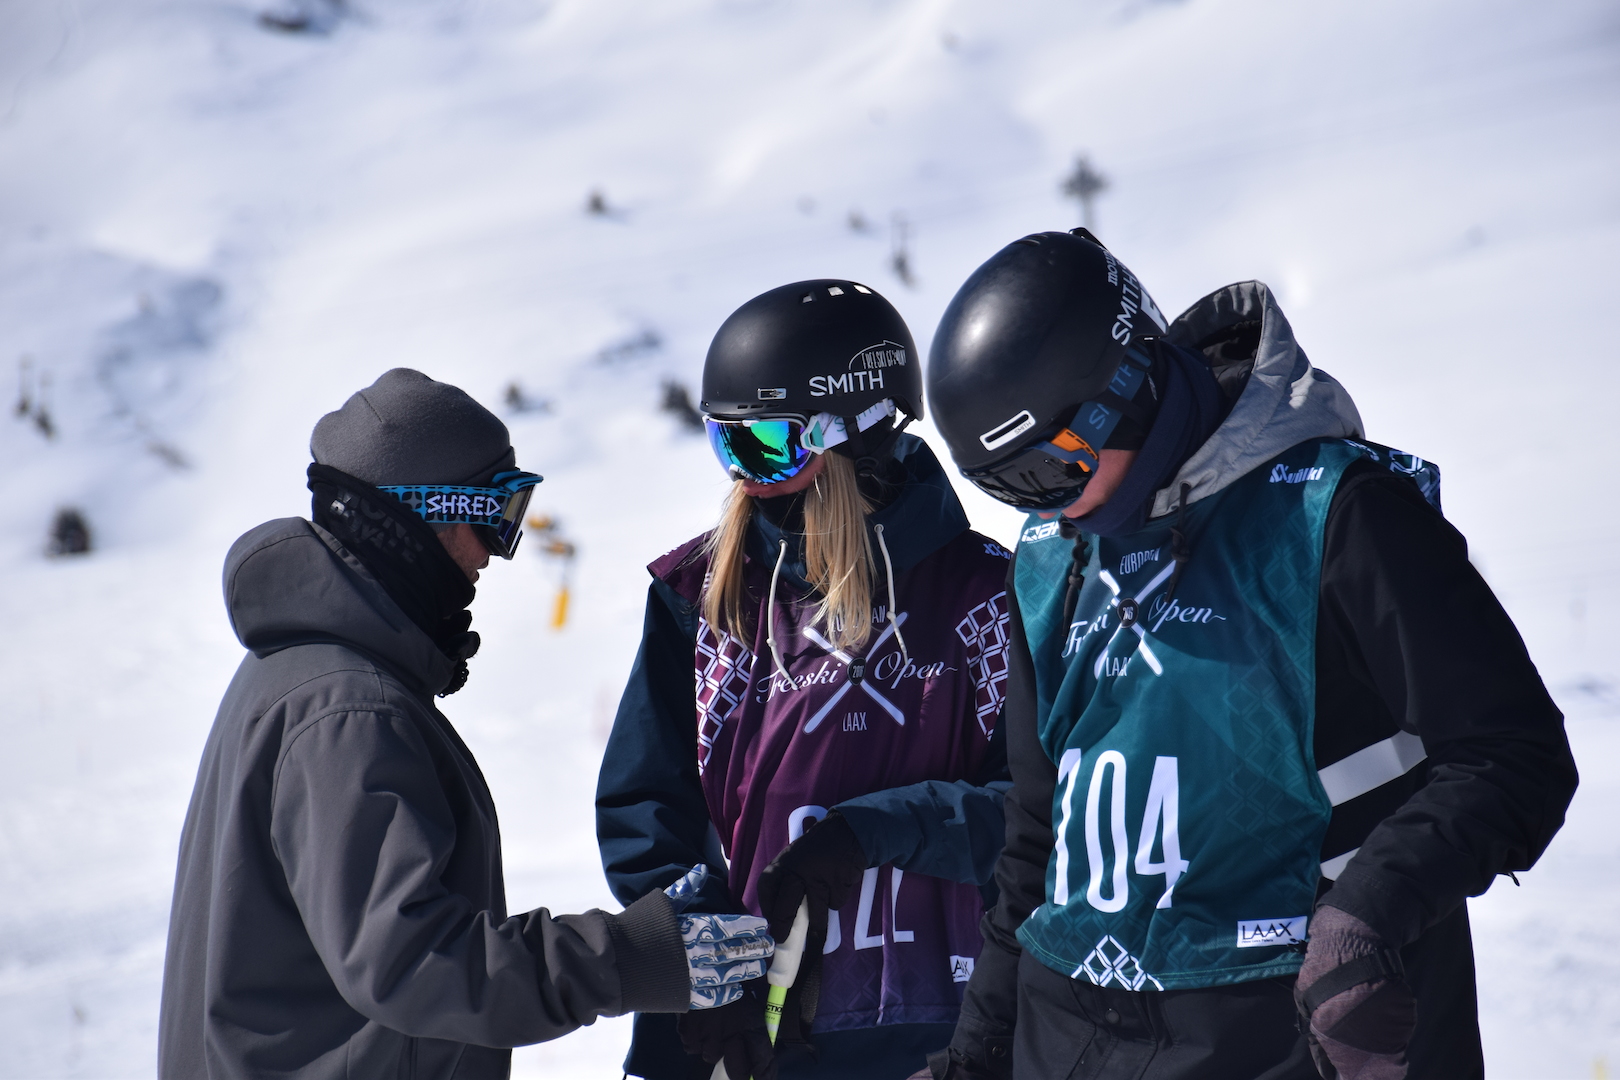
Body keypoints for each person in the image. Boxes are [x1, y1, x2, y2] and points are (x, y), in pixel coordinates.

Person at [920, 232, 1579, 1080]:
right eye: (1003, 488)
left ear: (1125, 389)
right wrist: (973, 1060)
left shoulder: (1336, 514)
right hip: (1075, 1038)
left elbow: (1512, 754)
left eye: (1050, 471)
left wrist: (1368, 912)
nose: (1046, 509)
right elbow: (1037, 844)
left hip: (1294, 1031)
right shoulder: (1050, 564)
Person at [158, 369, 771, 1079]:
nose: (492, 553)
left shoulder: (298, 680)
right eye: (491, 517)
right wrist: (633, 956)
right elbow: (413, 960)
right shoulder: (346, 709)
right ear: (417, 520)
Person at [596, 281, 1016, 1080]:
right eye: (726, 445)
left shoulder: (988, 598)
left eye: (766, 446)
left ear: (857, 433)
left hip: (950, 1028)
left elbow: (1032, 817)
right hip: (753, 1033)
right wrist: (703, 962)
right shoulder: (701, 600)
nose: (743, 478)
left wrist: (874, 831)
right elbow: (646, 811)